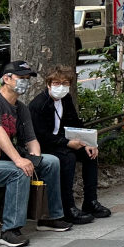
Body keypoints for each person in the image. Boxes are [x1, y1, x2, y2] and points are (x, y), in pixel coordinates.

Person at [0, 61, 71, 247]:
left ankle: (49, 217)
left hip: (2, 161)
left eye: (27, 79)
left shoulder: (21, 108)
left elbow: (31, 140)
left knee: (51, 162)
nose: (25, 82)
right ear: (6, 79)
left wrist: (34, 160)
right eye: (21, 78)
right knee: (18, 172)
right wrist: (19, 161)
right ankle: (10, 230)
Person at [29, 65, 109, 225]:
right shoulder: (39, 104)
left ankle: (90, 201)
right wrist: (68, 143)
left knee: (90, 154)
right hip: (45, 145)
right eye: (57, 83)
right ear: (48, 84)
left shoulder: (66, 99)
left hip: (63, 142)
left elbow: (74, 122)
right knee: (68, 158)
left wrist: (87, 142)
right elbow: (41, 136)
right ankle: (68, 207)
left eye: (65, 83)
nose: (61, 87)